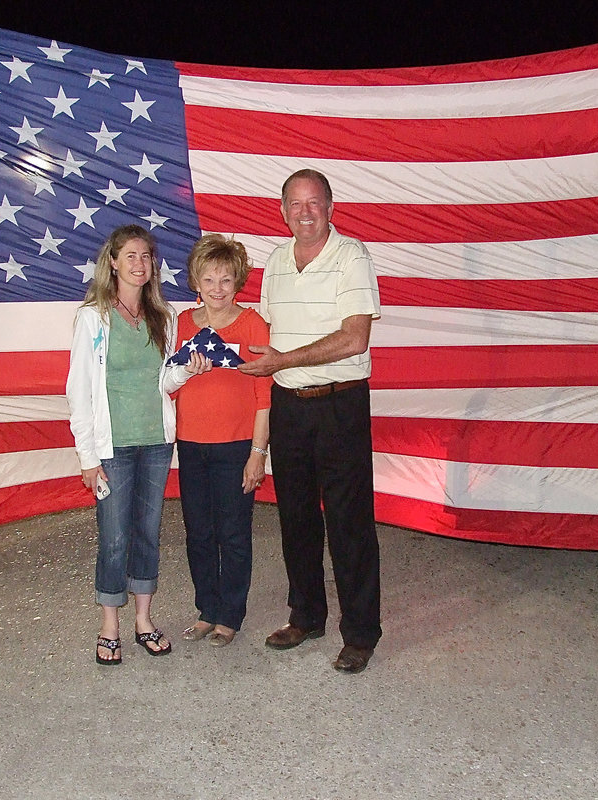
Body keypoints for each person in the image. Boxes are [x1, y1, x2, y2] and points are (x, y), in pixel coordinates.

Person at [238, 169, 382, 674]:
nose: (305, 212)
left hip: (339, 404)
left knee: (349, 521)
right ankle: (306, 615)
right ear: (281, 210)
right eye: (295, 204)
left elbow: (354, 339)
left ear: (331, 208)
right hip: (289, 407)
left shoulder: (352, 257)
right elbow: (266, 332)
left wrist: (282, 362)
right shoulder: (276, 262)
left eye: (314, 203)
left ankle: (361, 632)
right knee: (295, 517)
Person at [66, 224, 206, 666]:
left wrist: (187, 372)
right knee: (114, 537)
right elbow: (78, 391)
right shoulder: (92, 318)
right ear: (112, 261)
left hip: (156, 443)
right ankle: (110, 626)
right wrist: (88, 457)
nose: (139, 263)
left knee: (148, 534)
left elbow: (164, 379)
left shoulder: (163, 316)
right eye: (130, 255)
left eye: (146, 255)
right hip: (113, 448)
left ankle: (144, 620)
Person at [172, 234, 272, 647]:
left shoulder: (252, 324)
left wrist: (257, 454)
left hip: (236, 447)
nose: (217, 288)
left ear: (238, 282)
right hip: (191, 445)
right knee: (198, 531)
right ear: (196, 281)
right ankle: (206, 609)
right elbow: (167, 385)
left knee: (232, 532)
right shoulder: (179, 324)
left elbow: (264, 397)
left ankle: (230, 614)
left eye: (225, 280)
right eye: (209, 279)